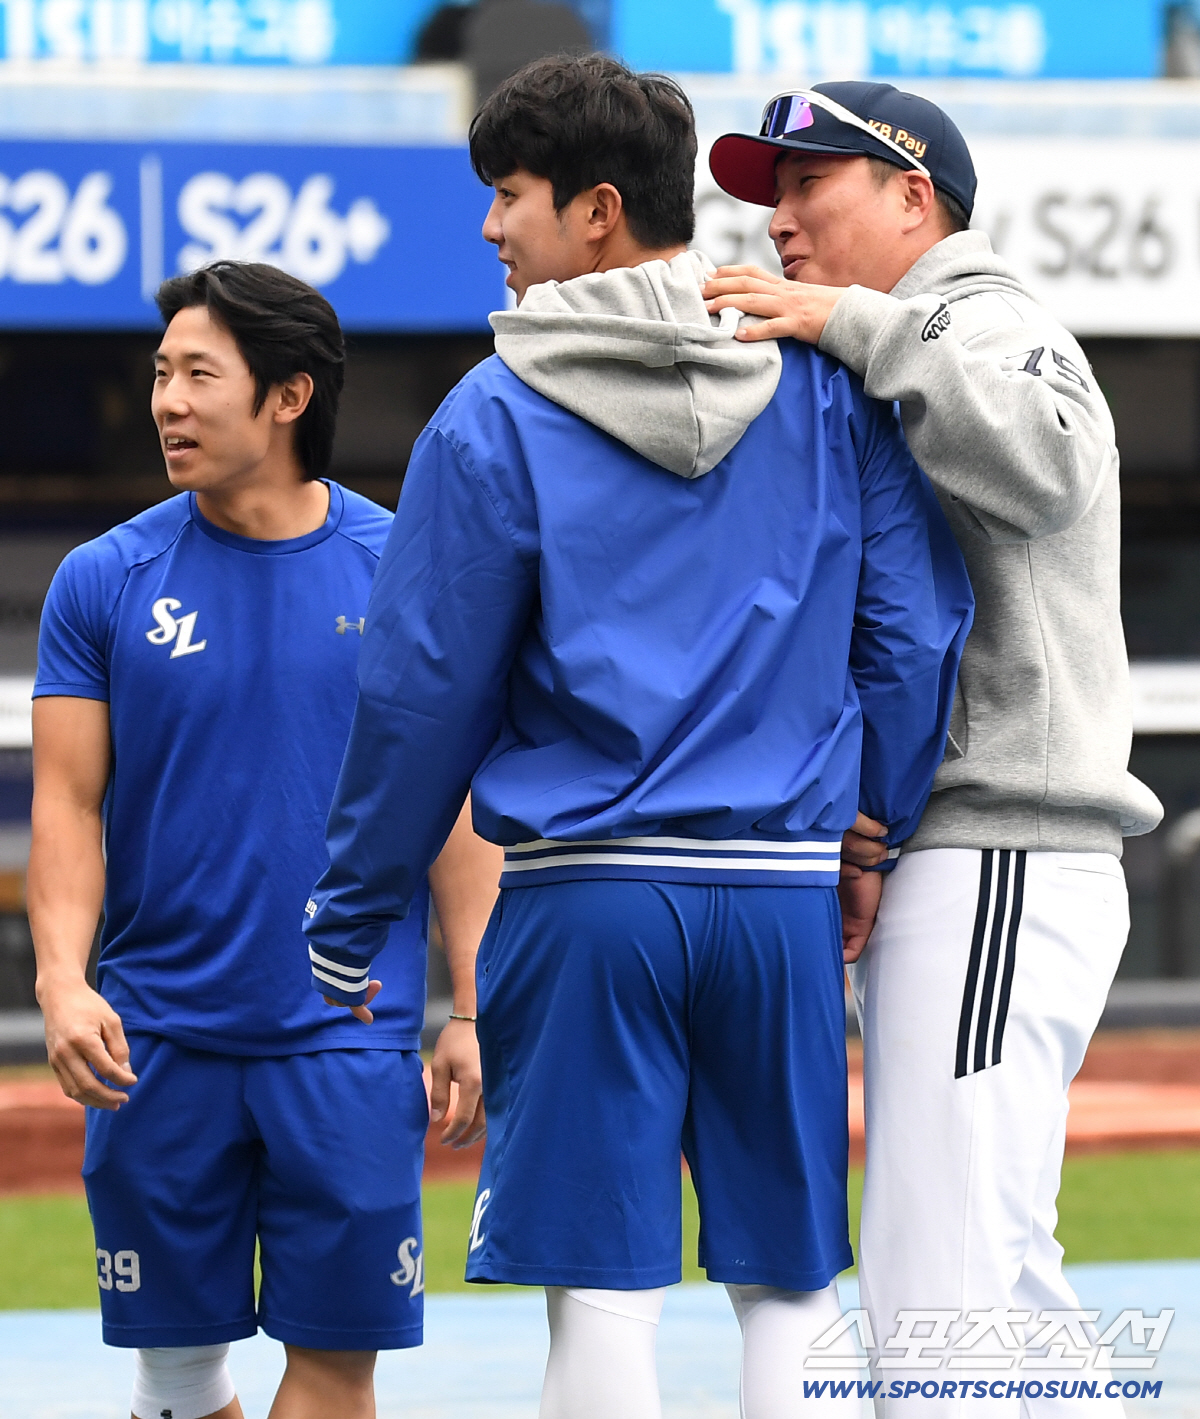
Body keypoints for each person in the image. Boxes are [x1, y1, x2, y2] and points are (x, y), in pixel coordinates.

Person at [303, 56, 973, 1419]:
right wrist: (870, 822)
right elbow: (913, 633)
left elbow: (422, 691)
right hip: (780, 898)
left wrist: (353, 905)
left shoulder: (491, 414)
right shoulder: (822, 385)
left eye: (509, 197)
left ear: (596, 212)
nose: (492, 229)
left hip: (585, 895)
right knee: (789, 1281)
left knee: (600, 1289)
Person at [706, 82, 1163, 1411]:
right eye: (770, 187)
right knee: (996, 1283)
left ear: (915, 195)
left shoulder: (984, 313)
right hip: (967, 856)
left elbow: (1051, 463)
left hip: (1003, 846)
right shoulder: (902, 343)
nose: (777, 215)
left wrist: (855, 319)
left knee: (938, 1294)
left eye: (811, 183)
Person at [28, 260, 500, 1419]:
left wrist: (476, 1007)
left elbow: (457, 814)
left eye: (199, 374)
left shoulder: (407, 573)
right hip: (156, 1045)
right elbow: (66, 805)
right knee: (179, 1382)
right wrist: (58, 981)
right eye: (160, 373)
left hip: (346, 1039)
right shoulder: (102, 581)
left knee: (337, 1365)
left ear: (289, 396)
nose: (166, 402)